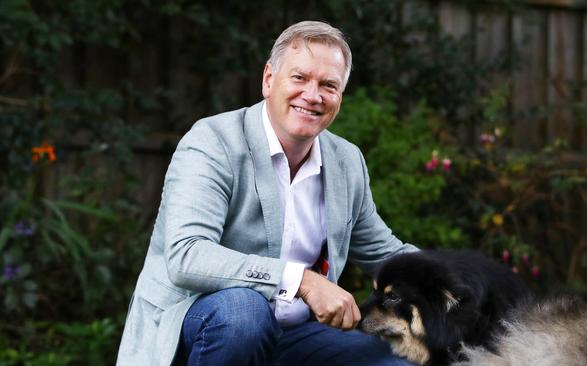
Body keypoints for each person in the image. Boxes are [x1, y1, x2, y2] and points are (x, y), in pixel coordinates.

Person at [116, 20, 418, 366]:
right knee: (244, 312)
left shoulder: (345, 160)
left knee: (397, 349)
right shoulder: (213, 142)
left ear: (339, 97)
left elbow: (387, 254)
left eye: (328, 85)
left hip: (296, 335)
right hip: (201, 326)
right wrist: (301, 280)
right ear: (268, 80)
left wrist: (468, 286)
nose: (313, 95)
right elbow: (188, 255)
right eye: (299, 78)